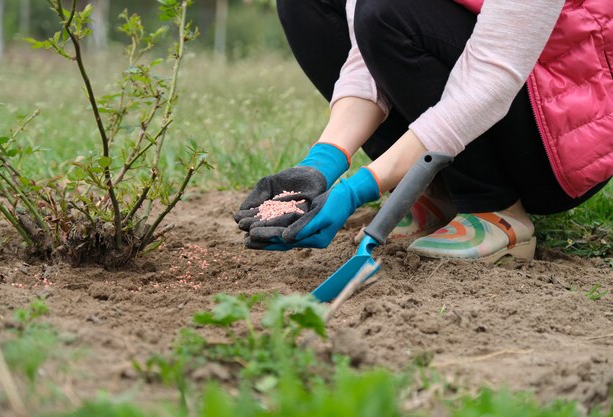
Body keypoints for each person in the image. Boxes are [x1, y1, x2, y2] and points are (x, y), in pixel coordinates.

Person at [234, 0, 613, 262]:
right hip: (496, 97)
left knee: (388, 12)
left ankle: (494, 206)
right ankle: (434, 189)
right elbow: (366, 55)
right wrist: (321, 164)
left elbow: (492, 79)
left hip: (555, 140)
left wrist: (360, 187)